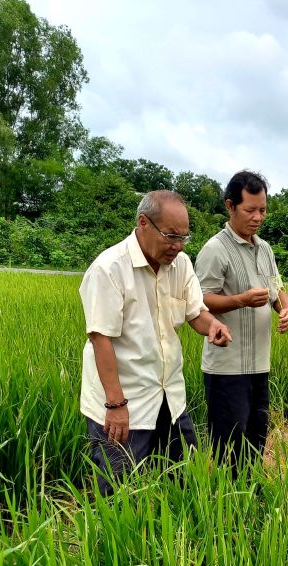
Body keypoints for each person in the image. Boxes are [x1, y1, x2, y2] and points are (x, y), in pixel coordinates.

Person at [79, 190, 231, 494]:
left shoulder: (182, 264)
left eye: (184, 238)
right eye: (171, 236)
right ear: (143, 222)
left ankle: (177, 539)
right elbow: (101, 338)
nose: (177, 246)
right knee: (117, 493)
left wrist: (212, 325)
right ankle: (114, 542)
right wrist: (116, 404)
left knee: (184, 482)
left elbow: (195, 311)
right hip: (124, 401)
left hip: (168, 397)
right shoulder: (109, 268)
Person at [194, 170, 288, 474]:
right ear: (230, 206)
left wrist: (286, 309)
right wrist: (240, 299)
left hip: (259, 366)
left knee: (256, 440)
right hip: (227, 370)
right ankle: (227, 507)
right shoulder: (214, 250)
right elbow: (200, 299)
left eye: (262, 209)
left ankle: (250, 498)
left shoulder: (265, 249)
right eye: (250, 210)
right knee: (228, 448)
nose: (258, 217)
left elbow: (277, 288)